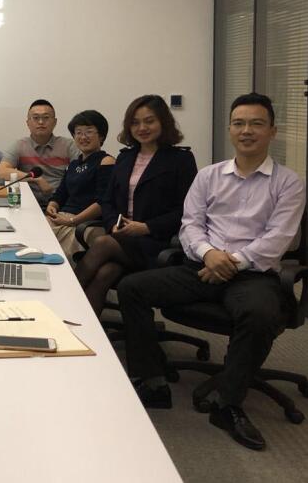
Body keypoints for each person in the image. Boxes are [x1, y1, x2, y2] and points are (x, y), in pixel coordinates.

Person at [119, 93, 304, 451]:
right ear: (230, 129)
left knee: (261, 313)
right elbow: (190, 225)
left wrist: (230, 262)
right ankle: (152, 381)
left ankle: (227, 405)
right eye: (239, 123)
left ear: (272, 131)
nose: (246, 131)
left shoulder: (288, 182)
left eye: (256, 124)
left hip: (253, 274)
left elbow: (278, 238)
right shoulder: (209, 176)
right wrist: (209, 255)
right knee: (132, 288)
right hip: (202, 266)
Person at [74, 95, 197, 316]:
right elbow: (108, 201)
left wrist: (146, 227)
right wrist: (112, 224)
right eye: (135, 122)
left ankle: (63, 301)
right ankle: (81, 329)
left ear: (163, 122)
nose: (142, 128)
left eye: (149, 121)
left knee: (102, 244)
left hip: (157, 241)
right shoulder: (125, 157)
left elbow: (187, 210)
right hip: (122, 238)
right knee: (105, 273)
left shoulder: (181, 160)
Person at [44, 110, 116, 260]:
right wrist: (53, 205)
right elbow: (61, 193)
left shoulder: (106, 161)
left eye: (89, 132)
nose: (83, 137)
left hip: (86, 222)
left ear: (101, 136)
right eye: (78, 133)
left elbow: (102, 202)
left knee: (54, 252)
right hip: (63, 218)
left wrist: (72, 221)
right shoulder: (74, 164)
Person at [0, 99, 80, 208]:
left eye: (46, 117)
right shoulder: (20, 145)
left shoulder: (68, 145)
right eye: (36, 118)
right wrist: (36, 179)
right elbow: (1, 172)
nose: (41, 122)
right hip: (28, 205)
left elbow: (82, 173)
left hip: (61, 205)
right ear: (28, 123)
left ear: (55, 122)